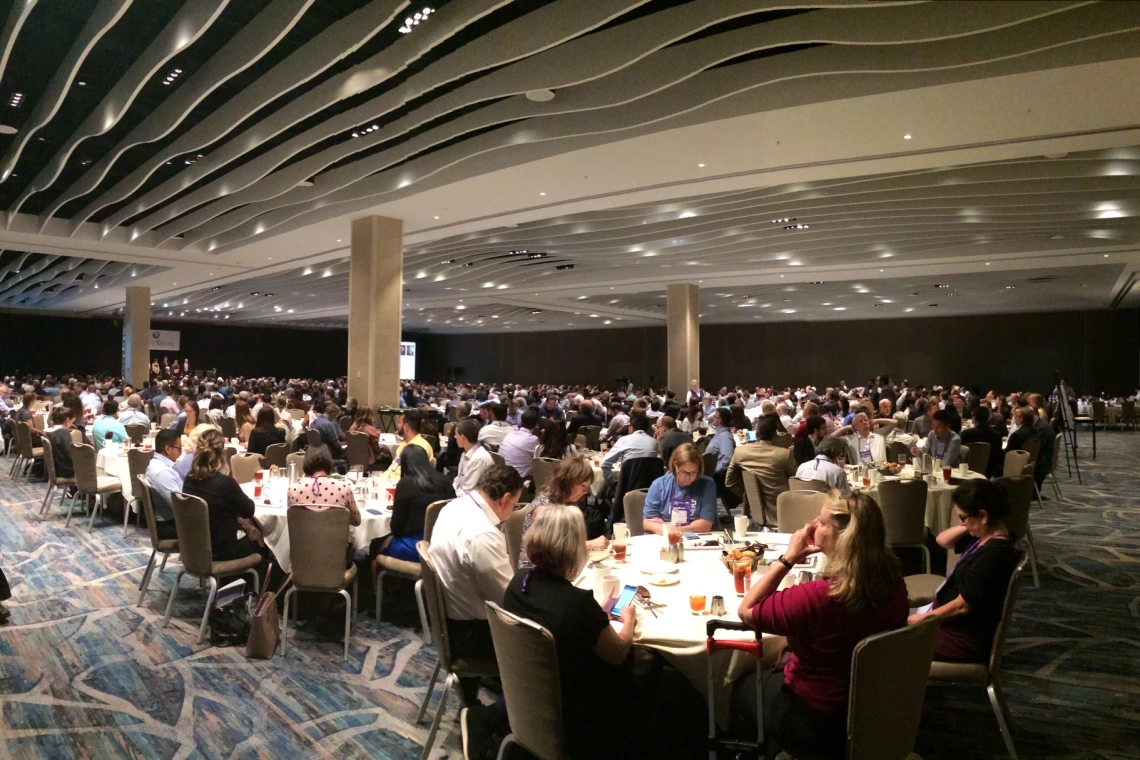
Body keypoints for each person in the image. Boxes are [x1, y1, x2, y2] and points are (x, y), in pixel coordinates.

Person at [734, 492, 908, 757]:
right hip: (871, 704)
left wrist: (788, 558)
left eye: (823, 521)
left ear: (843, 537)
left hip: (814, 717)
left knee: (737, 686)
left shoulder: (819, 597)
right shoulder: (895, 583)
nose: (813, 523)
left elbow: (747, 610)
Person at [501, 504, 637, 759]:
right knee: (642, 663)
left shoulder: (518, 581)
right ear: (574, 547)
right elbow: (617, 652)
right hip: (578, 711)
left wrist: (597, 616)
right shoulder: (577, 604)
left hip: (527, 698)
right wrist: (628, 620)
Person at [429, 465, 524, 707]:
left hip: (448, 623)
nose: (513, 513)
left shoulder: (451, 507)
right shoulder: (481, 534)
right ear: (504, 499)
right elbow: (510, 602)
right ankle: (506, 717)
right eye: (514, 506)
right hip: (473, 635)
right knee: (555, 642)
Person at [909, 480, 1017, 663]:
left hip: (962, 637)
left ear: (983, 515)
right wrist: (967, 524)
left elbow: (962, 606)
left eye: (963, 517)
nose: (961, 522)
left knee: (885, 639)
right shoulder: (984, 535)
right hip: (952, 624)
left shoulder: (994, 555)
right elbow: (942, 541)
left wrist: (923, 619)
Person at [181, 429, 268, 564]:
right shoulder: (225, 484)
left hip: (196, 547)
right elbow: (249, 510)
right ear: (222, 454)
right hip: (224, 550)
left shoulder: (189, 479)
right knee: (263, 544)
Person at [518, 457, 608, 570]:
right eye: (583, 486)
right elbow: (553, 548)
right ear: (568, 482)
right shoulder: (543, 509)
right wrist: (589, 544)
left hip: (561, 566)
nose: (585, 492)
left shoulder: (566, 501)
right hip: (536, 574)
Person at [372, 444, 454, 564]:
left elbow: (396, 527)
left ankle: (380, 582)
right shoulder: (445, 480)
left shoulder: (406, 484)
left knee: (375, 545)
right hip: (445, 543)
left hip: (417, 547)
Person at [726, 416, 797, 522]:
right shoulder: (785, 455)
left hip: (754, 512)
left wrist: (750, 495)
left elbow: (729, 482)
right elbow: (796, 482)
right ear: (775, 434)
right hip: (782, 512)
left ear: (756, 434)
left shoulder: (740, 452)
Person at [642, 443, 717, 534]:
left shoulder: (707, 484)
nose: (688, 477)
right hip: (662, 539)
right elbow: (648, 523)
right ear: (675, 466)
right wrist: (691, 527)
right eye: (684, 472)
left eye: (693, 472)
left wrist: (671, 529)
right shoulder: (659, 485)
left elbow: (705, 525)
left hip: (693, 539)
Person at [144, 429, 184, 540]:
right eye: (179, 449)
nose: (180, 453)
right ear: (167, 449)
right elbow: (181, 507)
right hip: (169, 525)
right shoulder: (162, 472)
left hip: (170, 521)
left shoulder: (156, 464)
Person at [601, 412, 658, 479]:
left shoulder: (624, 440)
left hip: (627, 485)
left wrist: (612, 482)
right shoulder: (654, 442)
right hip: (650, 485)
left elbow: (605, 464)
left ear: (631, 427)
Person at [388, 408, 435, 478]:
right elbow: (394, 467)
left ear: (406, 427)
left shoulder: (420, 447)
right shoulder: (404, 444)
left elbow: (412, 477)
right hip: (389, 481)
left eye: (400, 423)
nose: (397, 426)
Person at [960, 406, 1004, 478]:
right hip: (989, 471)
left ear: (973, 419)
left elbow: (960, 454)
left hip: (966, 470)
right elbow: (999, 457)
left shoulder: (966, 434)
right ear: (988, 418)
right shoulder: (996, 435)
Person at [498, 406, 541, 478]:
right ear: (536, 425)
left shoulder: (510, 433)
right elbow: (538, 461)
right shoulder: (533, 440)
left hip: (501, 474)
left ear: (521, 421)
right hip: (518, 479)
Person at [46, 407, 77, 479]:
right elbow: (70, 454)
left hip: (54, 468)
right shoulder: (63, 433)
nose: (71, 425)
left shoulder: (48, 431)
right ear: (67, 420)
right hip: (65, 469)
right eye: (72, 422)